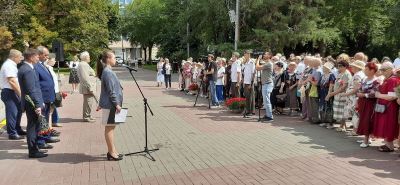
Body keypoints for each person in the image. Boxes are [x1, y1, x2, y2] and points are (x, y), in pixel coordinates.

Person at [18, 48, 47, 158]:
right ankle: (33, 151)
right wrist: (38, 104)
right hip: (32, 104)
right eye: (36, 56)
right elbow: (32, 90)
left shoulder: (27, 68)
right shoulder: (27, 70)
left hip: (32, 102)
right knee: (32, 127)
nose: (38, 57)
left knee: (34, 126)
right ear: (30, 57)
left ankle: (35, 149)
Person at [96, 50, 124, 161]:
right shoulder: (107, 72)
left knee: (112, 127)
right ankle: (111, 152)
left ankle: (113, 150)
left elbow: (105, 90)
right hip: (111, 105)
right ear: (108, 59)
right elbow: (111, 91)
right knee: (109, 128)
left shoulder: (108, 71)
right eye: (114, 58)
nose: (115, 60)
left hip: (111, 104)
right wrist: (117, 104)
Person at [373, 62, 400, 152]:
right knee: (385, 125)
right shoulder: (387, 79)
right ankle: (388, 144)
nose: (382, 72)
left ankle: (390, 146)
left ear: (390, 70)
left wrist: (378, 95)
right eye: (381, 70)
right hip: (385, 107)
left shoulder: (393, 80)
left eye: (383, 70)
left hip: (390, 107)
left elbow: (392, 96)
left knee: (389, 125)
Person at [0, 49, 26, 140]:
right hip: (10, 92)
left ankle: (17, 129)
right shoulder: (9, 65)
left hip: (12, 91)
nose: (21, 59)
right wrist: (20, 94)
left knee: (18, 111)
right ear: (14, 57)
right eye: (20, 57)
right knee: (12, 113)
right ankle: (12, 133)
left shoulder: (11, 65)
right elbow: (12, 81)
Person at [356, 62, 379, 148]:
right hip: (362, 102)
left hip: (370, 103)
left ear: (372, 70)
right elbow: (360, 88)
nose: (364, 71)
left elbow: (374, 93)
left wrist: (364, 95)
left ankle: (366, 140)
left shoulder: (376, 81)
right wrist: (359, 93)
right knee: (362, 119)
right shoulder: (364, 79)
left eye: (366, 69)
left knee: (367, 120)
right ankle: (366, 137)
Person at [328, 56, 352, 132]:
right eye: (338, 66)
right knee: (340, 111)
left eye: (340, 66)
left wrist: (333, 93)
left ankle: (342, 126)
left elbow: (344, 87)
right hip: (338, 95)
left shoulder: (346, 74)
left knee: (342, 111)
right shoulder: (341, 73)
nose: (338, 68)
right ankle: (342, 126)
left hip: (342, 96)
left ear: (345, 67)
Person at [341, 60, 366, 134]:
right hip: (354, 97)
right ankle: (356, 129)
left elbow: (356, 88)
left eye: (353, 66)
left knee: (356, 114)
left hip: (354, 97)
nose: (351, 67)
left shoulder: (357, 75)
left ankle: (355, 130)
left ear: (357, 67)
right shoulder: (359, 74)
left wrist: (346, 94)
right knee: (356, 114)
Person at [77, 51, 97, 122]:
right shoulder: (83, 65)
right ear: (85, 57)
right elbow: (85, 78)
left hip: (88, 87)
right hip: (87, 87)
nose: (89, 58)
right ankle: (86, 117)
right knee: (88, 102)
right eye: (88, 56)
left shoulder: (84, 64)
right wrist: (90, 87)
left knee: (89, 102)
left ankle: (88, 115)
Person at [256, 51, 274, 121]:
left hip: (267, 84)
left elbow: (257, 68)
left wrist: (258, 59)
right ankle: (267, 114)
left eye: (265, 54)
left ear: (269, 55)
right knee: (265, 100)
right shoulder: (266, 63)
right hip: (265, 84)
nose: (264, 55)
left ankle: (270, 116)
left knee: (267, 100)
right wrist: (260, 60)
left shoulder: (269, 63)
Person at [319, 62, 336, 128]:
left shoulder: (331, 75)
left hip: (327, 92)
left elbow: (331, 86)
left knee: (329, 107)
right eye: (323, 67)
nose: (323, 68)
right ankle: (324, 121)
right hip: (322, 92)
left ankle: (330, 123)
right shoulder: (323, 75)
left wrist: (328, 94)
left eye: (324, 67)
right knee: (323, 107)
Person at [242, 50, 256, 116]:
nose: (244, 55)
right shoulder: (245, 62)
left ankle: (251, 111)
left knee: (251, 97)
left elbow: (253, 73)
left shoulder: (252, 62)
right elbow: (243, 73)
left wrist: (251, 83)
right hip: (245, 82)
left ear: (249, 55)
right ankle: (247, 110)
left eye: (245, 54)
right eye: (244, 54)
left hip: (250, 82)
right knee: (247, 97)